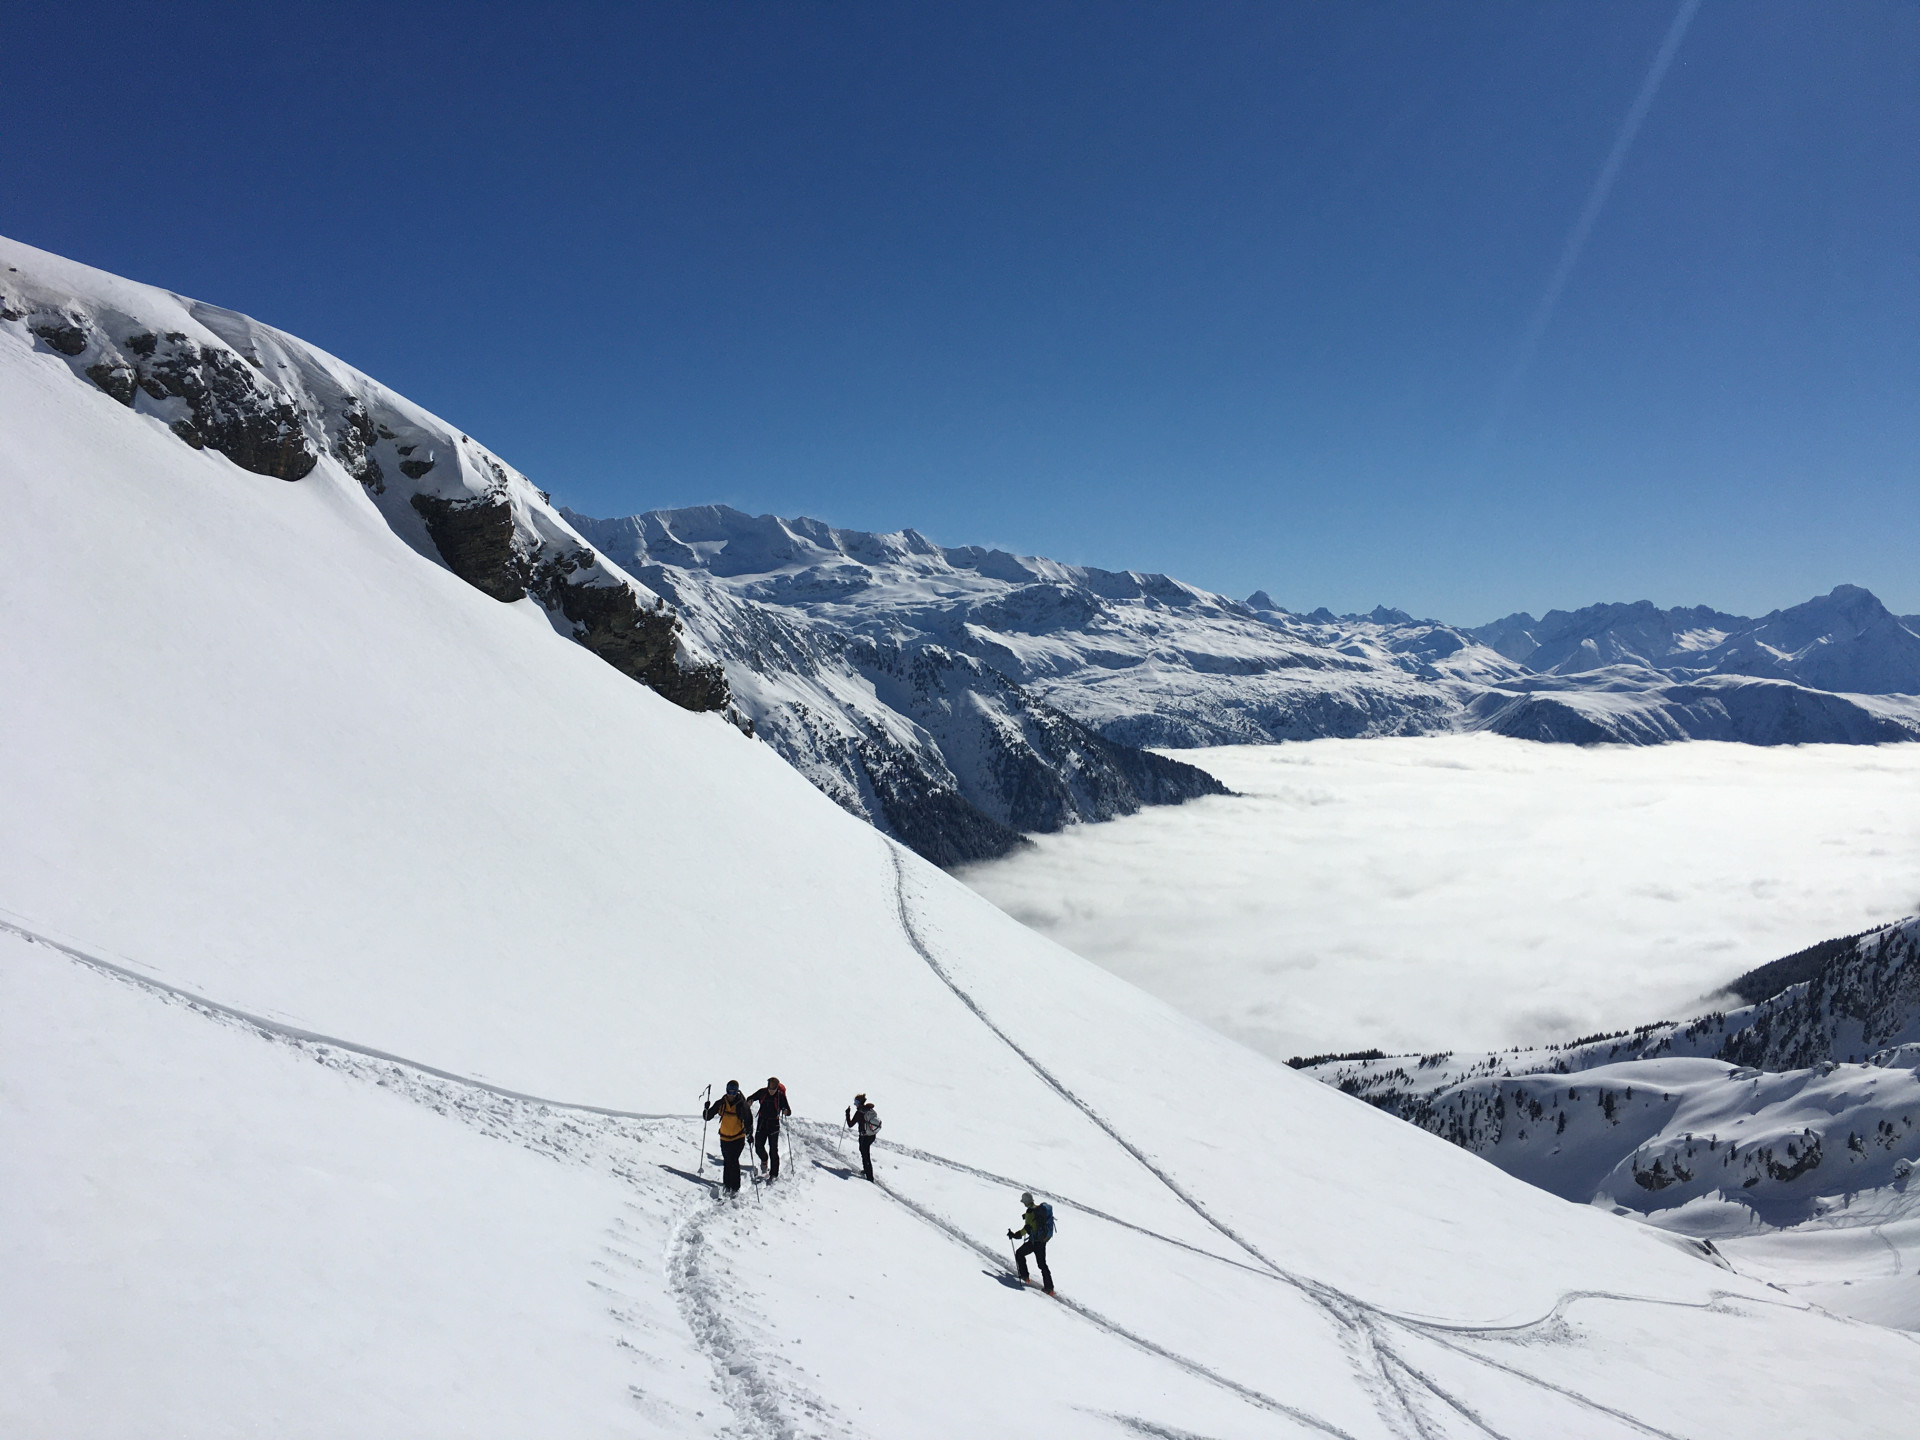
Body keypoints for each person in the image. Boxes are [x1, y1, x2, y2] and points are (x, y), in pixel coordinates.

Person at [703, 1080, 754, 1194]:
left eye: (733, 1092)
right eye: (729, 1092)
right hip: (724, 1137)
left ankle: (735, 1187)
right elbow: (707, 1117)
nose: (731, 1095)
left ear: (737, 1092)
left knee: (734, 1161)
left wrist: (750, 1134)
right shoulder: (721, 1103)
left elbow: (748, 1120)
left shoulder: (742, 1104)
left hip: (738, 1137)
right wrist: (706, 1109)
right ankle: (727, 1185)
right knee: (727, 1161)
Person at [1007, 1191, 1055, 1293]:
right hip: (1042, 1241)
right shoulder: (1037, 1209)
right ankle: (1049, 1288)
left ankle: (1025, 1276)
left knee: (1019, 1253)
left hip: (1034, 1242)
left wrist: (1013, 1235)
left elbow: (1025, 1230)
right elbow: (1034, 1221)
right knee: (1042, 1264)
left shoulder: (1030, 1212)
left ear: (1025, 1202)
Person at [747, 1077, 791, 1181]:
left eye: (773, 1088)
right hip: (762, 1123)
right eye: (770, 1088)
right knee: (758, 1146)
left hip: (773, 1124)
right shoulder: (762, 1092)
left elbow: (789, 1111)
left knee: (773, 1150)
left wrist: (786, 1111)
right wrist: (750, 1101)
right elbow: (750, 1097)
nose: (771, 1090)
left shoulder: (780, 1096)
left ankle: (774, 1174)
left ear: (777, 1088)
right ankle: (764, 1159)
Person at [844, 1092, 881, 1181]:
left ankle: (869, 1177)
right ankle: (867, 1171)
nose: (855, 1104)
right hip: (871, 1135)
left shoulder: (859, 1113)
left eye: (856, 1102)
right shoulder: (869, 1110)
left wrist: (847, 1114)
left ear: (859, 1102)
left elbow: (850, 1124)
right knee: (864, 1153)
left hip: (864, 1136)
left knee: (865, 1155)